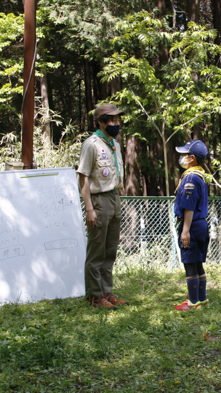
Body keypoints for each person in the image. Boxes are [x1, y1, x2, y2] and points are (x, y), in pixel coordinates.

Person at [78, 104, 127, 310]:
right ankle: (94, 296)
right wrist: (89, 208)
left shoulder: (113, 143)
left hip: (114, 198)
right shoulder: (92, 144)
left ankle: (106, 292)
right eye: (111, 120)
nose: (116, 123)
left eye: (117, 119)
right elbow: (83, 177)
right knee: (96, 251)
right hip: (99, 201)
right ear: (101, 122)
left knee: (110, 251)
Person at [174, 140, 210, 311]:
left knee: (190, 264)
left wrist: (185, 231)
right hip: (201, 224)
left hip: (192, 225)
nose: (181, 157)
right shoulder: (200, 175)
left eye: (184, 154)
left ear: (192, 158)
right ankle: (201, 300)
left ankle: (192, 302)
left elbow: (189, 207)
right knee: (197, 263)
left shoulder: (191, 178)